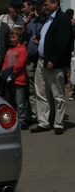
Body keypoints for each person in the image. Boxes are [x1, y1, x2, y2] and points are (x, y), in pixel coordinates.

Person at [30, 0, 73, 135]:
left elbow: (63, 41)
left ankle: (58, 123)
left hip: (53, 64)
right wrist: (38, 40)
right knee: (41, 93)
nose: (44, 7)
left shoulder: (63, 19)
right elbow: (47, 37)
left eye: (47, 5)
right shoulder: (48, 19)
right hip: (42, 61)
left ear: (55, 3)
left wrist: (53, 60)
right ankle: (44, 122)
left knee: (57, 95)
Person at [1, 27, 28, 130]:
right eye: (10, 37)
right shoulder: (9, 50)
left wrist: (12, 73)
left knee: (20, 103)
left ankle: (22, 121)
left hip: (18, 80)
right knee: (9, 102)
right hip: (8, 80)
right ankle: (10, 121)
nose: (11, 39)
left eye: (13, 37)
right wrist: (4, 72)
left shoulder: (22, 50)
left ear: (20, 38)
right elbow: (5, 62)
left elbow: (20, 64)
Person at [25, 0, 46, 124]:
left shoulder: (48, 22)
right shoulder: (31, 22)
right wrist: (24, 24)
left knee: (43, 90)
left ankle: (44, 116)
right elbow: (22, 36)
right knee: (32, 90)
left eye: (39, 5)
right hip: (31, 60)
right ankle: (34, 115)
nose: (36, 7)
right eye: (35, 5)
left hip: (42, 59)